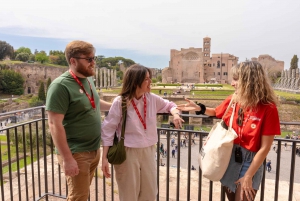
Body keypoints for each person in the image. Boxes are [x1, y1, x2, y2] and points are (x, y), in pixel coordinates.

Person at [177, 61, 281, 201]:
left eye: (236, 79)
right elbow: (216, 112)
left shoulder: (268, 108)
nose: (232, 83)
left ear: (249, 81)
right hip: (230, 158)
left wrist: (249, 176)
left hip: (251, 162)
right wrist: (198, 108)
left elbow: (265, 147)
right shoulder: (234, 100)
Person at [101, 64, 184, 201]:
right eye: (146, 79)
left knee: (149, 193)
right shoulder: (120, 102)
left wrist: (175, 114)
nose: (150, 82)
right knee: (129, 194)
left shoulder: (151, 99)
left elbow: (170, 105)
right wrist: (104, 158)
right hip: (128, 152)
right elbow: (108, 129)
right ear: (135, 81)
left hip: (148, 151)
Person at [46, 40, 111, 200]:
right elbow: (54, 124)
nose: (93, 63)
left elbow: (95, 103)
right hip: (77, 153)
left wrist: (118, 106)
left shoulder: (88, 80)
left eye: (93, 58)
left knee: (82, 194)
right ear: (73, 61)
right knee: (78, 197)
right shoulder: (60, 86)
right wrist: (68, 159)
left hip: (93, 150)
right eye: (88, 59)